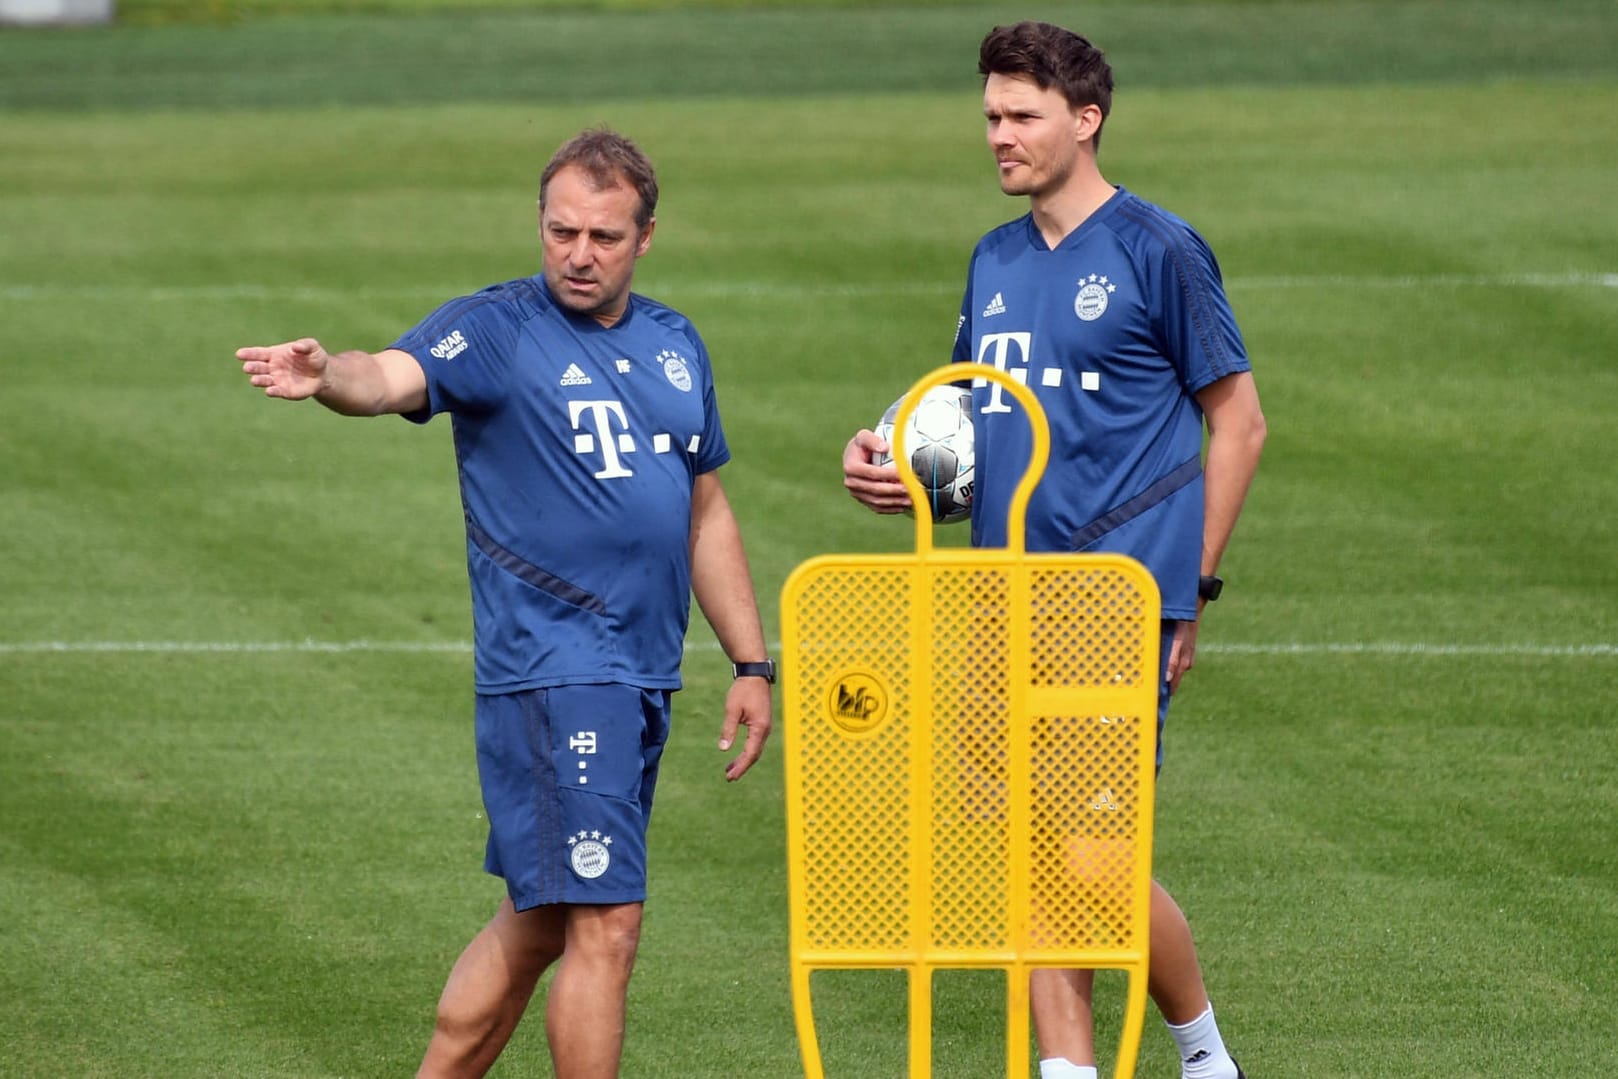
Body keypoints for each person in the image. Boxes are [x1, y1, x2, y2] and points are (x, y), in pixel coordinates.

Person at [236, 128, 775, 1079]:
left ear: (645, 237)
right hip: (558, 671)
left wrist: (749, 660)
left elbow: (705, 508)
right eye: (561, 229)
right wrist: (330, 379)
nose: (577, 252)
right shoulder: (496, 328)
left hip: (639, 674)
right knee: (607, 923)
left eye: (603, 236)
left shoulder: (676, 343)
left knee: (538, 927)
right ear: (539, 222)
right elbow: (389, 376)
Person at [842, 22, 1266, 1079]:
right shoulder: (991, 258)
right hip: (998, 601)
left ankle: (1204, 1052)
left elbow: (1240, 420)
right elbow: (968, 419)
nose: (999, 136)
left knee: (1090, 860)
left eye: (1022, 115)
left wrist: (1189, 591)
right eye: (990, 115)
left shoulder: (1156, 248)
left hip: (1110, 601)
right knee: (1037, 859)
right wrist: (896, 465)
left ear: (1086, 119)